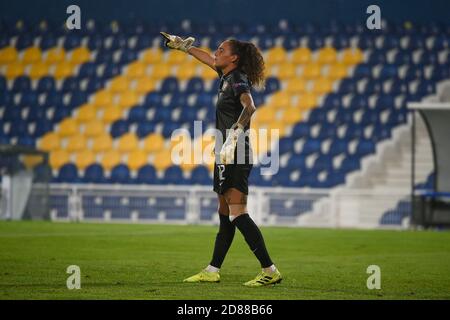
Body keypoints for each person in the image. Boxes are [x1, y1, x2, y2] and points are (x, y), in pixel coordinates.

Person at [160, 32, 282, 287]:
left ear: (234, 58)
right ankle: (212, 269)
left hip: (235, 152)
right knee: (224, 213)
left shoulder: (237, 79)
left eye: (221, 50)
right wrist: (184, 48)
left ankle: (269, 270)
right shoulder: (226, 76)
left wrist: (234, 135)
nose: (216, 53)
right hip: (225, 153)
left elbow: (250, 107)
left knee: (237, 213)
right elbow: (208, 60)